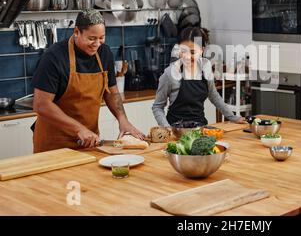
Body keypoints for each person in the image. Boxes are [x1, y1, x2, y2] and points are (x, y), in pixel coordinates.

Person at [31, 9, 144, 152]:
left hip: (88, 142)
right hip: (54, 144)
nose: (97, 44)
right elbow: (41, 105)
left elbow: (111, 91)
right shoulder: (54, 57)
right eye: (92, 38)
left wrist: (122, 119)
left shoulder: (104, 53)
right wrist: (78, 129)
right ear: (77, 32)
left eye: (101, 38)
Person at [152, 26, 247, 127]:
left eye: (192, 52)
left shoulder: (206, 68)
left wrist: (233, 117)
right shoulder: (170, 74)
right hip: (176, 132)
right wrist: (168, 128)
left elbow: (213, 96)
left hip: (201, 128)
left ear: (202, 50)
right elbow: (157, 107)